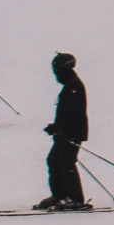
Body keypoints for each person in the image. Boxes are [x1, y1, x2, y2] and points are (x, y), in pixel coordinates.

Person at [36, 54, 88, 211]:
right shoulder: (70, 85)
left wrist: (62, 130)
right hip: (64, 133)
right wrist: (56, 127)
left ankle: (75, 199)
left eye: (56, 70)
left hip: (72, 134)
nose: (55, 74)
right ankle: (60, 195)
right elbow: (65, 114)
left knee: (67, 163)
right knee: (53, 161)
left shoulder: (74, 87)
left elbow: (73, 114)